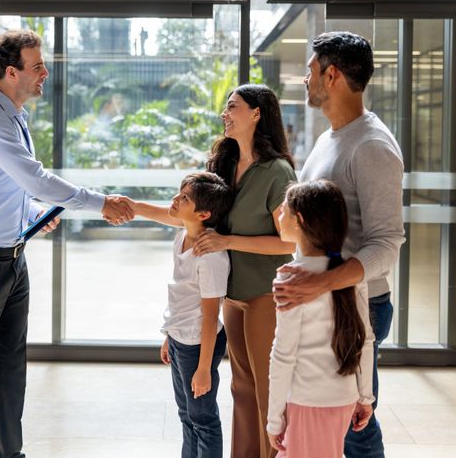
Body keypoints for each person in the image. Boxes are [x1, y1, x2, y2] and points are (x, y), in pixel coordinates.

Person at [0, 29, 134, 458]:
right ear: (12, 72)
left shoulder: (16, 116)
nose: (45, 73)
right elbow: (34, 178)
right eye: (37, 66)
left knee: (11, 370)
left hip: (12, 258)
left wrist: (29, 215)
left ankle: (9, 454)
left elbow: (7, 187)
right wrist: (101, 202)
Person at [123, 84, 297, 458]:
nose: (225, 113)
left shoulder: (277, 172)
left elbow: (289, 243)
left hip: (266, 294)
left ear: (256, 114)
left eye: (233, 106)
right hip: (232, 296)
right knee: (242, 389)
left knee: (268, 390)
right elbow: (191, 219)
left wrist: (228, 243)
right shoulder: (224, 164)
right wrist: (134, 206)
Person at [273, 31, 405, 458]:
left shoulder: (371, 146)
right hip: (324, 299)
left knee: (354, 425)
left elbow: (387, 244)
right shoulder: (332, 136)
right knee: (334, 421)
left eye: (310, 71)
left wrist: (323, 283)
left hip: (355, 305)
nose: (304, 79)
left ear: (331, 75)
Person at [266, 180, 374, 458]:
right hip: (344, 398)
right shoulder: (350, 271)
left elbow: (283, 355)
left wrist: (274, 419)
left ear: (299, 219)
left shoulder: (291, 278)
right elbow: (365, 340)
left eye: (284, 210)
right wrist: (365, 397)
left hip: (308, 400)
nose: (278, 215)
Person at [131, 171, 233, 458]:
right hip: (180, 338)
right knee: (187, 415)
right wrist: (169, 337)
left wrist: (204, 369)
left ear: (204, 214)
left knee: (203, 420)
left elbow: (211, 317)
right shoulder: (181, 238)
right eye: (179, 192)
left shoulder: (210, 257)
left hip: (197, 344)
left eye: (184, 198)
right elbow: (181, 299)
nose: (175, 199)